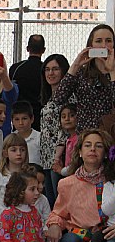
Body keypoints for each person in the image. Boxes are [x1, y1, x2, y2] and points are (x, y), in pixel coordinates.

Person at [53, 24, 115, 132]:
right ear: (91, 44)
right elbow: (58, 98)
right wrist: (75, 66)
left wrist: (112, 71)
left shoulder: (113, 73)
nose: (104, 45)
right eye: (99, 41)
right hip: (85, 136)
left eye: (108, 41)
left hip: (110, 135)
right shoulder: (81, 73)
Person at [38, 54, 72, 207]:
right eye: (47, 69)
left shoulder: (69, 98)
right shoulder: (48, 98)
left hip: (59, 159)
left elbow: (66, 129)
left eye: (55, 69)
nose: (50, 73)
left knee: (60, 202)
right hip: (46, 158)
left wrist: (57, 157)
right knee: (50, 201)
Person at [10, 34, 46, 130]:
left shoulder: (16, 68)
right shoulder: (46, 69)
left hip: (20, 115)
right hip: (40, 114)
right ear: (43, 50)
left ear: (27, 49)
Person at [0, 134, 29, 212]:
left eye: (22, 150)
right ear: (5, 153)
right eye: (14, 150)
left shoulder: (29, 174)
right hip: (3, 214)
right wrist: (7, 213)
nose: (19, 153)